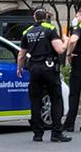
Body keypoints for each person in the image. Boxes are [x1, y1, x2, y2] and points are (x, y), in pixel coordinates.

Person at [17, 9, 71, 143]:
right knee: (56, 100)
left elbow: (21, 54)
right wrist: (66, 41)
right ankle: (56, 133)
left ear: (34, 17)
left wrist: (19, 68)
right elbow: (60, 49)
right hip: (49, 67)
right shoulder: (50, 29)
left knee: (35, 101)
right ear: (46, 17)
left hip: (34, 68)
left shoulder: (27, 32)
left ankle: (37, 134)